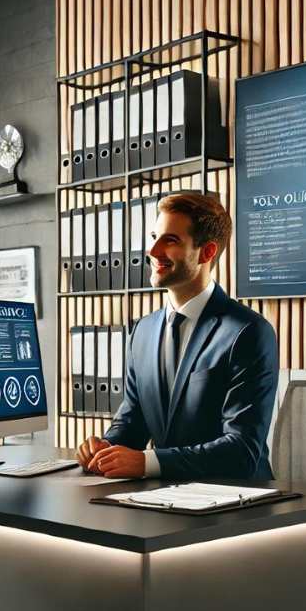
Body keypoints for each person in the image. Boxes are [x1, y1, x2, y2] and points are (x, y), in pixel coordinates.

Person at [76, 192, 279, 481]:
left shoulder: (247, 332)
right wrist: (105, 448)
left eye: (170, 240)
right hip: (163, 499)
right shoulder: (141, 332)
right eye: (153, 236)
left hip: (236, 503)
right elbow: (132, 423)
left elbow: (241, 451)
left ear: (207, 252)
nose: (152, 250)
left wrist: (147, 463)